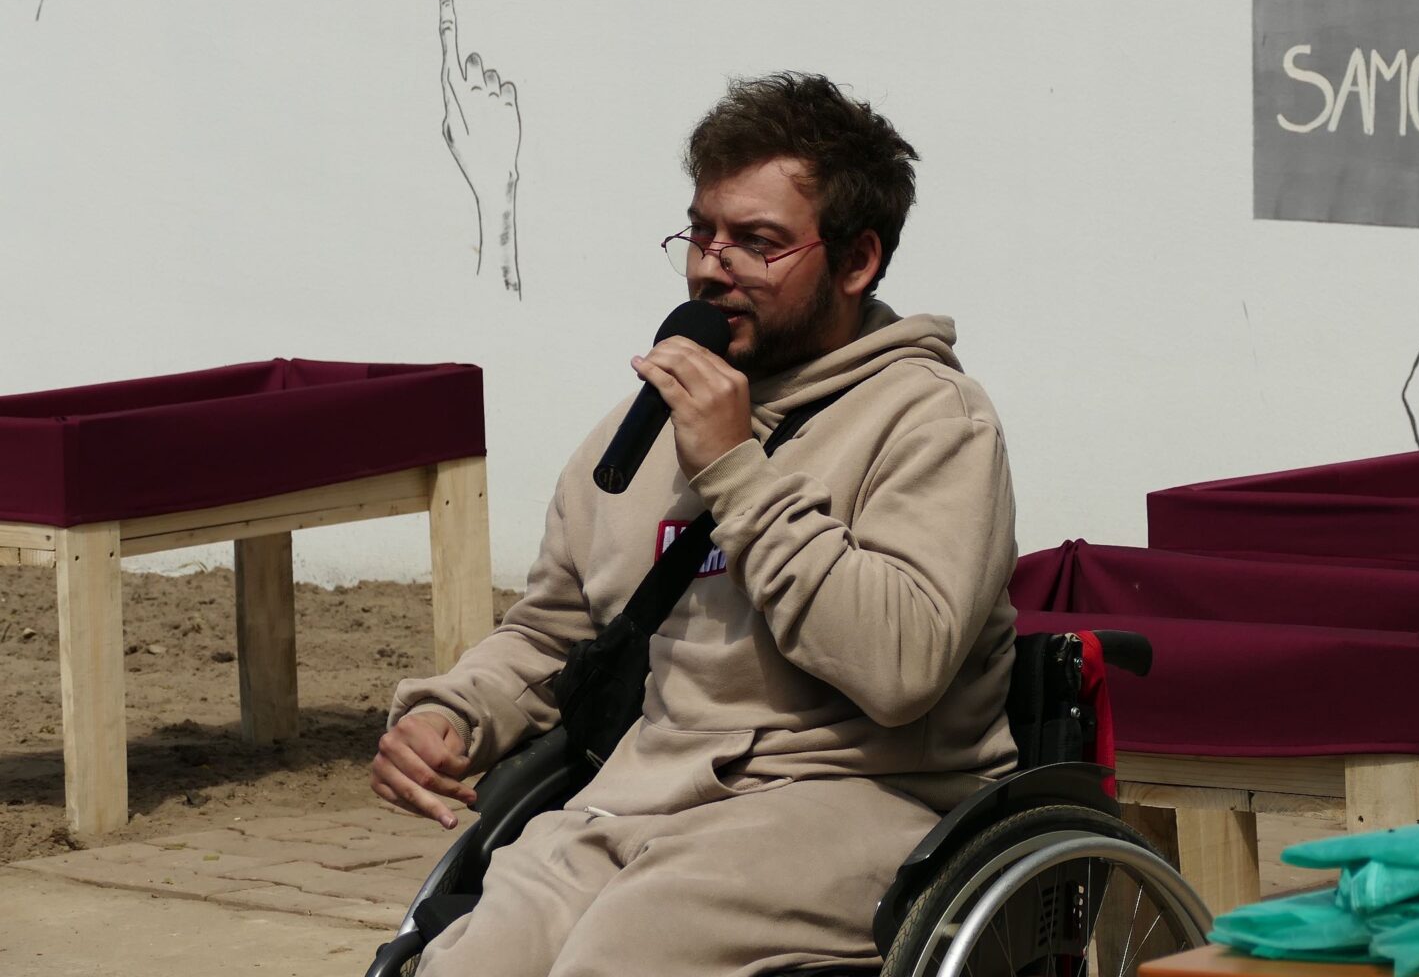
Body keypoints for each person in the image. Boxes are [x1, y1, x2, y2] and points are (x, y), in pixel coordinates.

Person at [372, 72, 1021, 976]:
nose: (712, 265)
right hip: (641, 794)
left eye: (757, 242)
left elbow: (901, 665)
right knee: (467, 963)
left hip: (861, 798)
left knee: (619, 958)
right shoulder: (638, 432)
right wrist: (455, 711)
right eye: (701, 232)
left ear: (857, 261)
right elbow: (556, 634)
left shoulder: (933, 419)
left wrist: (735, 471)